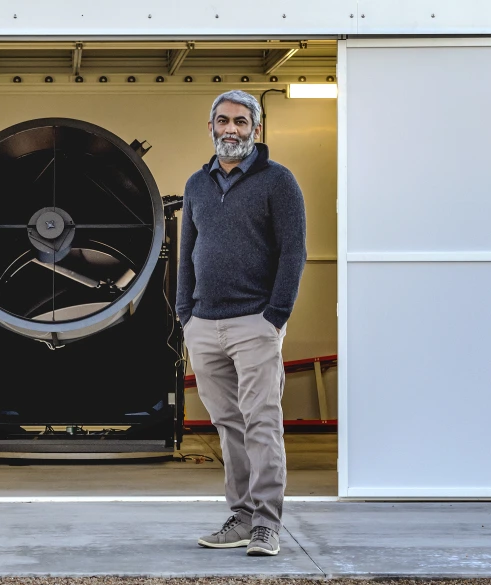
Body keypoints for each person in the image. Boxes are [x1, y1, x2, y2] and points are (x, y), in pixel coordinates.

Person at [176, 89, 308, 556]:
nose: (231, 129)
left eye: (240, 121)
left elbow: (294, 252)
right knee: (229, 425)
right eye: (223, 121)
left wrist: (275, 316)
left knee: (262, 423)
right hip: (204, 323)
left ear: (257, 129)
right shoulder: (196, 184)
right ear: (210, 127)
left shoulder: (278, 181)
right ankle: (242, 515)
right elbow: (188, 253)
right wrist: (183, 313)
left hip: (255, 321)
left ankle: (268, 524)